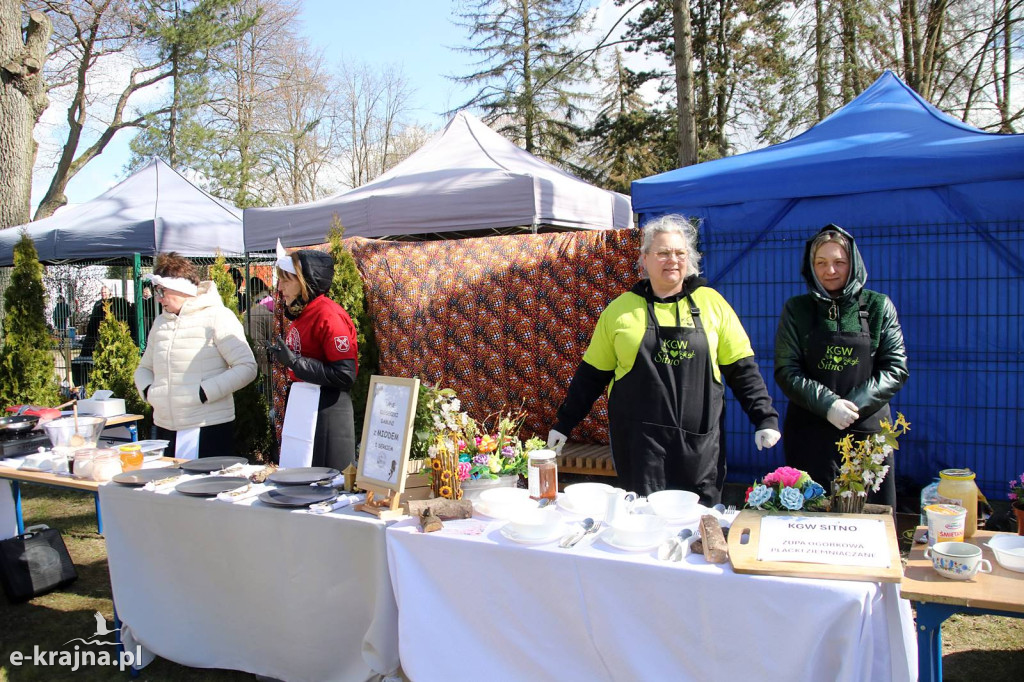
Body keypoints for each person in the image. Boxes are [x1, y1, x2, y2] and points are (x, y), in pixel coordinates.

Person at [547, 215, 780, 504]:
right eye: (663, 253)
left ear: (690, 258)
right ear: (645, 259)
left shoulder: (712, 304)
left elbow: (742, 369)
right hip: (640, 448)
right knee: (643, 523)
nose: (673, 260)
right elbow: (591, 376)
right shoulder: (620, 311)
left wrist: (764, 418)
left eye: (680, 253)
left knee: (698, 525)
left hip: (700, 447)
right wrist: (564, 424)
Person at [774, 225, 908, 506]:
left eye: (839, 262)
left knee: (869, 515)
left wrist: (852, 406)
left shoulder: (878, 306)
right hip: (810, 433)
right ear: (810, 266)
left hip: (866, 432)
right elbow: (787, 370)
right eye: (820, 263)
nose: (830, 271)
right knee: (811, 514)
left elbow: (895, 368)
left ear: (854, 264)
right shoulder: (797, 309)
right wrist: (828, 405)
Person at [134, 252, 257, 459]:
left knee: (203, 488)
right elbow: (145, 368)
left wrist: (203, 392)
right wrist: (148, 391)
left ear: (180, 289)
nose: (158, 298)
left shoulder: (217, 316)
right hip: (165, 425)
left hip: (207, 426)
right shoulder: (161, 323)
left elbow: (247, 367)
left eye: (162, 291)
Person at [271, 249, 358, 471]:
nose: (280, 289)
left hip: (327, 411)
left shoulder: (328, 315)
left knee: (324, 483)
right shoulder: (304, 312)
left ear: (304, 281)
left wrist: (294, 363)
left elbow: (345, 374)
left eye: (285, 281)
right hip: (306, 405)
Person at [80, 285, 136, 357]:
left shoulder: (115, 303)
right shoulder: (97, 304)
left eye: (105, 292)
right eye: (102, 292)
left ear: (109, 292)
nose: (103, 294)